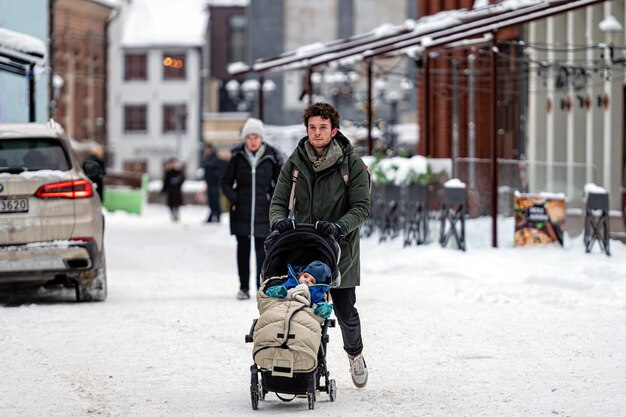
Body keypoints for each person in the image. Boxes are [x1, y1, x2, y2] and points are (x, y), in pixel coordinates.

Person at [269, 102, 371, 388]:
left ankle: (355, 354)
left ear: (333, 130)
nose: (317, 133)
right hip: (303, 245)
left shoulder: (351, 164)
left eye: (322, 128)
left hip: (340, 248)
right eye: (312, 127)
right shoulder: (295, 163)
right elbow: (278, 202)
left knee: (345, 310)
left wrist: (339, 226)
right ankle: (303, 362)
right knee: (300, 308)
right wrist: (279, 222)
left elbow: (362, 206)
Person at [220, 117, 284, 300]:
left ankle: (260, 287)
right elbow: (225, 182)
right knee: (243, 250)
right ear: (245, 139)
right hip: (241, 212)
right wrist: (235, 198)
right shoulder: (237, 157)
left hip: (264, 213)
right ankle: (243, 287)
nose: (252, 141)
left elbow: (281, 184)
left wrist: (272, 200)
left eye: (256, 137)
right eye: (249, 137)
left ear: (261, 138)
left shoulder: (271, 156)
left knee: (262, 251)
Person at [264, 260, 333, 318]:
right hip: (280, 311)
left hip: (302, 317)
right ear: (300, 275)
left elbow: (319, 304)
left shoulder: (316, 294)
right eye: (305, 276)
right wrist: (277, 291)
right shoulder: (289, 282)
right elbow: (269, 293)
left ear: (318, 285)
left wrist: (323, 309)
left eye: (312, 281)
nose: (307, 280)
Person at [201, 143, 227, 222]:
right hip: (210, 184)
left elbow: (220, 171)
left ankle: (216, 216)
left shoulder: (214, 160)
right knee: (212, 200)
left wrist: (217, 178)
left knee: (215, 200)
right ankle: (213, 215)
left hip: (214, 184)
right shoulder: (208, 159)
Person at [161, 157, 185, 222]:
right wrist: (163, 190)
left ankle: (176, 214)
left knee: (176, 203)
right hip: (170, 191)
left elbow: (182, 179)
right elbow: (165, 182)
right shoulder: (168, 172)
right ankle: (172, 214)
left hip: (176, 190)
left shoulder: (178, 172)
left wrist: (178, 182)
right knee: (170, 204)